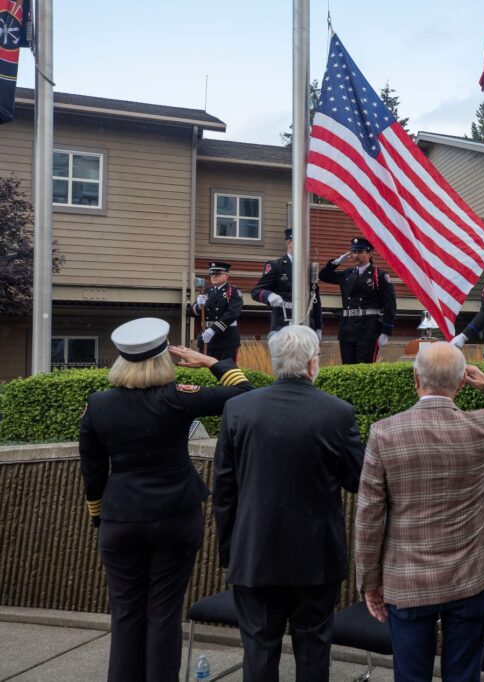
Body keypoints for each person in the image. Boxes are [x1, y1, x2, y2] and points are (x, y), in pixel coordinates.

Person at [78, 317, 254, 682]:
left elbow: (92, 472)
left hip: (120, 519)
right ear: (163, 359)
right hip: (175, 516)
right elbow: (246, 396)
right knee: (164, 612)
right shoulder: (177, 398)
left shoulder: (98, 405)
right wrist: (211, 362)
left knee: (125, 613)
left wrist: (98, 516)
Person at [355, 343, 484, 682]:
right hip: (470, 579)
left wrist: (369, 582)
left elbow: (368, 517)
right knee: (464, 675)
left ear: (415, 378)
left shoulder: (385, 433)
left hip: (407, 581)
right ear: (460, 384)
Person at [213, 325, 365, 682]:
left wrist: (229, 552)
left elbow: (224, 489)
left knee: (259, 651)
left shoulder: (237, 410)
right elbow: (358, 479)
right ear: (313, 365)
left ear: (272, 362)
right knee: (314, 651)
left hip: (254, 553)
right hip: (317, 556)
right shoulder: (338, 413)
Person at [318, 236, 397, 364]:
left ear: (370, 253)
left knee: (364, 368)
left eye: (360, 252)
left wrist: (386, 330)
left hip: (368, 328)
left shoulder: (379, 275)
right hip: (348, 327)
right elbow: (323, 276)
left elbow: (390, 304)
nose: (356, 255)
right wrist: (337, 262)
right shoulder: (347, 274)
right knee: (347, 369)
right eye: (354, 252)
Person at [251, 228, 323, 339]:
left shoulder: (309, 268)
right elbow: (256, 291)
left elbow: (315, 298)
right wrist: (270, 296)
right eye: (300, 242)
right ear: (289, 243)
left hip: (307, 322)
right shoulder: (276, 265)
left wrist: (318, 327)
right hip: (284, 322)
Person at [188, 260, 243, 361]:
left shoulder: (233, 291)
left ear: (226, 275)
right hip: (207, 337)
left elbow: (232, 313)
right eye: (211, 274)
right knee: (206, 372)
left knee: (226, 371)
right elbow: (190, 312)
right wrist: (198, 306)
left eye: (217, 274)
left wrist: (213, 330)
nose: (213, 276)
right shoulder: (206, 291)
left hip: (225, 339)